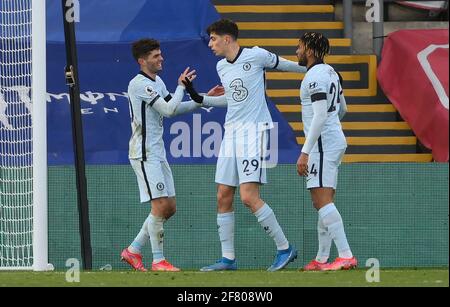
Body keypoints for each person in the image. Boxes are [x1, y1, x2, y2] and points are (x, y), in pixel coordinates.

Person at [182, 19, 307, 272]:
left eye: (214, 39)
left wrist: (312, 70)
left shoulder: (257, 55)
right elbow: (231, 100)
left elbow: (286, 65)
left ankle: (284, 248)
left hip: (254, 132)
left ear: (227, 39)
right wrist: (198, 96)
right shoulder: (221, 67)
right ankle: (228, 259)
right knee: (223, 195)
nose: (210, 44)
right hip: (232, 133)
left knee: (249, 197)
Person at [121, 38, 223, 272]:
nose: (161, 58)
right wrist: (181, 86)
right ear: (142, 60)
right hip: (144, 153)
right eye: (155, 56)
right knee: (159, 205)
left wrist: (202, 99)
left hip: (158, 152)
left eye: (160, 54)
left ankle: (133, 250)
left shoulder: (157, 81)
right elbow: (168, 109)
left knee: (169, 207)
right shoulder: (138, 84)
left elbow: (174, 108)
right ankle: (158, 261)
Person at [295, 32, 357, 271]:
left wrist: (305, 151)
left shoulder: (314, 77)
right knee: (324, 200)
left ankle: (345, 255)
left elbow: (321, 115)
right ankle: (321, 259)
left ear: (310, 50)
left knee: (321, 200)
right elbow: (343, 108)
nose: (297, 51)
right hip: (333, 141)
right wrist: (332, 128)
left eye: (300, 47)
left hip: (322, 145)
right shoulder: (332, 72)